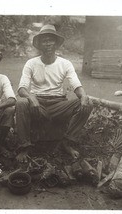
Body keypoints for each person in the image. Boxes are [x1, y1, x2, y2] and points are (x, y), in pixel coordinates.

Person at [15, 24, 93, 162]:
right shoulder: (31, 63)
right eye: (44, 41)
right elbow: (22, 88)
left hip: (58, 104)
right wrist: (31, 97)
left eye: (51, 40)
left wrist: (83, 96)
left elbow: (75, 84)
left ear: (56, 44)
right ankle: (24, 147)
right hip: (37, 104)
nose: (48, 44)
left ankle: (67, 142)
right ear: (39, 44)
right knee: (21, 103)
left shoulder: (65, 63)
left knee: (87, 103)